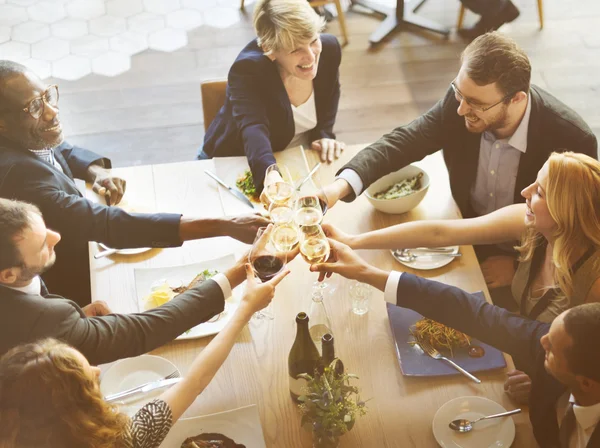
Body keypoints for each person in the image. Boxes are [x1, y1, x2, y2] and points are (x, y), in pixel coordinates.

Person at [321, 32, 597, 290]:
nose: (462, 109)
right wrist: (338, 187)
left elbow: (576, 229)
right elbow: (406, 140)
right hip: (461, 229)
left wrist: (520, 268)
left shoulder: (572, 139)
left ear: (517, 99)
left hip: (530, 259)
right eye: (458, 92)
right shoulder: (463, 101)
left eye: (476, 103)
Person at [0, 60, 269, 306]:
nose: (52, 111)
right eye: (35, 107)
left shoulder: (26, 137)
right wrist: (225, 224)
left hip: (92, 248)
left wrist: (96, 172)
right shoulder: (21, 178)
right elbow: (107, 225)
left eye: (48, 96)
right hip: (75, 289)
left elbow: (59, 149)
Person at [310, 239, 600, 447]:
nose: (541, 342)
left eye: (550, 350)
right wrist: (365, 272)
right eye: (549, 331)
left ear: (585, 383)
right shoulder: (554, 350)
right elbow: (469, 311)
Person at [0, 264, 289, 448]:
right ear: (77, 417)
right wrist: (244, 311)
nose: (98, 371)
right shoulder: (122, 441)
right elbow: (196, 380)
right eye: (89, 379)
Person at [322, 151, 600, 322]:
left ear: (566, 210)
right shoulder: (533, 223)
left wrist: (549, 382)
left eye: (539, 191)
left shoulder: (593, 282)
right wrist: (352, 241)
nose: (525, 192)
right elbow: (439, 232)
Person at [0, 198, 260, 365]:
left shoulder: (14, 277)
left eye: (46, 227)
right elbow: (141, 331)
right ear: (8, 275)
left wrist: (74, 325)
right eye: (43, 244)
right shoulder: (44, 318)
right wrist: (239, 270)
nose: (56, 236)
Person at [200, 0, 346, 191]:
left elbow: (331, 93)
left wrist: (324, 134)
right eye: (295, 49)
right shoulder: (247, 70)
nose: (311, 57)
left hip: (295, 158)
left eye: (313, 41)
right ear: (270, 49)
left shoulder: (330, 49)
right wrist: (270, 173)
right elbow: (253, 128)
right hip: (235, 160)